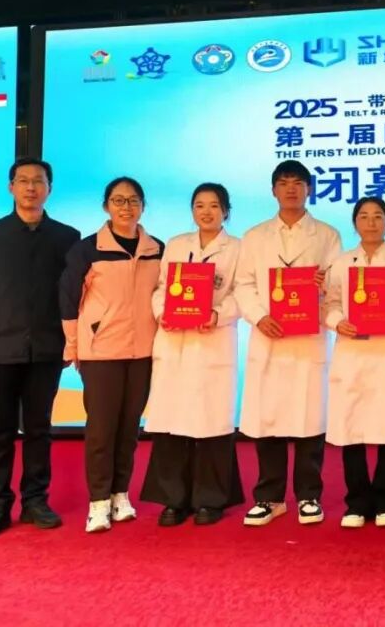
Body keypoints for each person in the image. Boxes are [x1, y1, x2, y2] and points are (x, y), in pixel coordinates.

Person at [0, 157, 81, 541]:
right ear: (10, 187)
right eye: (23, 180)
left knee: (39, 429)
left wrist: (72, 342)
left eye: (38, 181)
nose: (30, 187)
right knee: (0, 431)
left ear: (49, 188)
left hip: (47, 349)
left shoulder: (67, 238)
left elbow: (75, 297)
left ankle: (35, 500)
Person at [234, 161, 341, 526]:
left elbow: (336, 287)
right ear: (273, 191)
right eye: (283, 183)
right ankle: (270, 497)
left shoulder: (326, 236)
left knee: (310, 418)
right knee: (269, 418)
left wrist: (323, 285)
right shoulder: (254, 236)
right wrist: (258, 316)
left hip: (308, 339)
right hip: (270, 335)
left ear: (309, 189)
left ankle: (309, 495)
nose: (291, 189)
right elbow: (244, 284)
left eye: (298, 183)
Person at [60, 177, 163, 533]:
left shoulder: (157, 249)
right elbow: (68, 298)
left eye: (133, 200)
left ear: (143, 206)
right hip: (101, 351)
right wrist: (73, 345)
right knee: (101, 429)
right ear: (106, 206)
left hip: (144, 351)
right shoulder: (87, 249)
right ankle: (99, 501)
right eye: (118, 200)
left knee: (130, 428)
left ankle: (121, 494)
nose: (126, 207)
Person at [140, 183, 244, 526]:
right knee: (171, 421)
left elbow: (242, 294)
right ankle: (174, 499)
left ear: (225, 211)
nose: (207, 212)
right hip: (174, 342)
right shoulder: (176, 244)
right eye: (200, 205)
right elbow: (160, 289)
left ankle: (210, 500)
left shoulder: (238, 248)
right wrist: (162, 313)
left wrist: (217, 315)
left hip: (212, 341)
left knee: (210, 423)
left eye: (214, 206)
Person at [323, 196, 385, 528]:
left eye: (378, 216)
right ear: (355, 223)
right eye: (364, 216)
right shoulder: (341, 262)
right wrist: (338, 322)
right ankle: (356, 503)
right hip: (351, 352)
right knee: (351, 429)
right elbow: (329, 304)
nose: (371, 222)